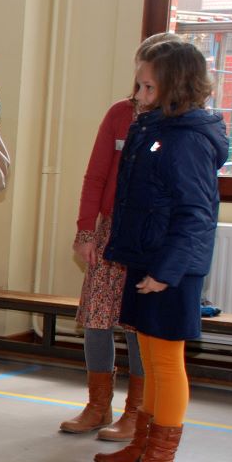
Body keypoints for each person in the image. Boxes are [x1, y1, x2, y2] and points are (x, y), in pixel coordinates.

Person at [94, 37, 227, 462]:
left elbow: (196, 214)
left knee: (167, 363)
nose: (139, 96)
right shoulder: (154, 128)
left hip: (170, 268)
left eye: (148, 87)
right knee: (148, 357)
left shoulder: (187, 140)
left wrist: (166, 272)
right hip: (146, 258)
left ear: (175, 88)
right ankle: (144, 448)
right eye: (139, 85)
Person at [58, 38, 180, 438]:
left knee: (136, 324)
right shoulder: (119, 115)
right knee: (97, 317)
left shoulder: (175, 125)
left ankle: (137, 410)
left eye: (151, 81)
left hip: (149, 235)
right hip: (110, 231)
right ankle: (97, 406)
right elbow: (95, 175)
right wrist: (86, 230)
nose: (142, 89)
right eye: (140, 77)